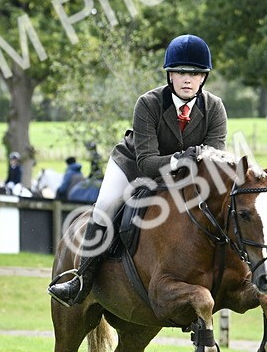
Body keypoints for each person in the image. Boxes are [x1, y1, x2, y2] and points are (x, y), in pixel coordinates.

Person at [48, 34, 228, 306]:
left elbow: (213, 161)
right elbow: (147, 161)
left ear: (204, 77)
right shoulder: (148, 103)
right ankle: (81, 279)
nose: (187, 79)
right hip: (133, 167)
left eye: (194, 73)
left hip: (184, 177)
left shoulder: (214, 108)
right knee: (106, 205)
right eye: (180, 72)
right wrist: (183, 158)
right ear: (170, 75)